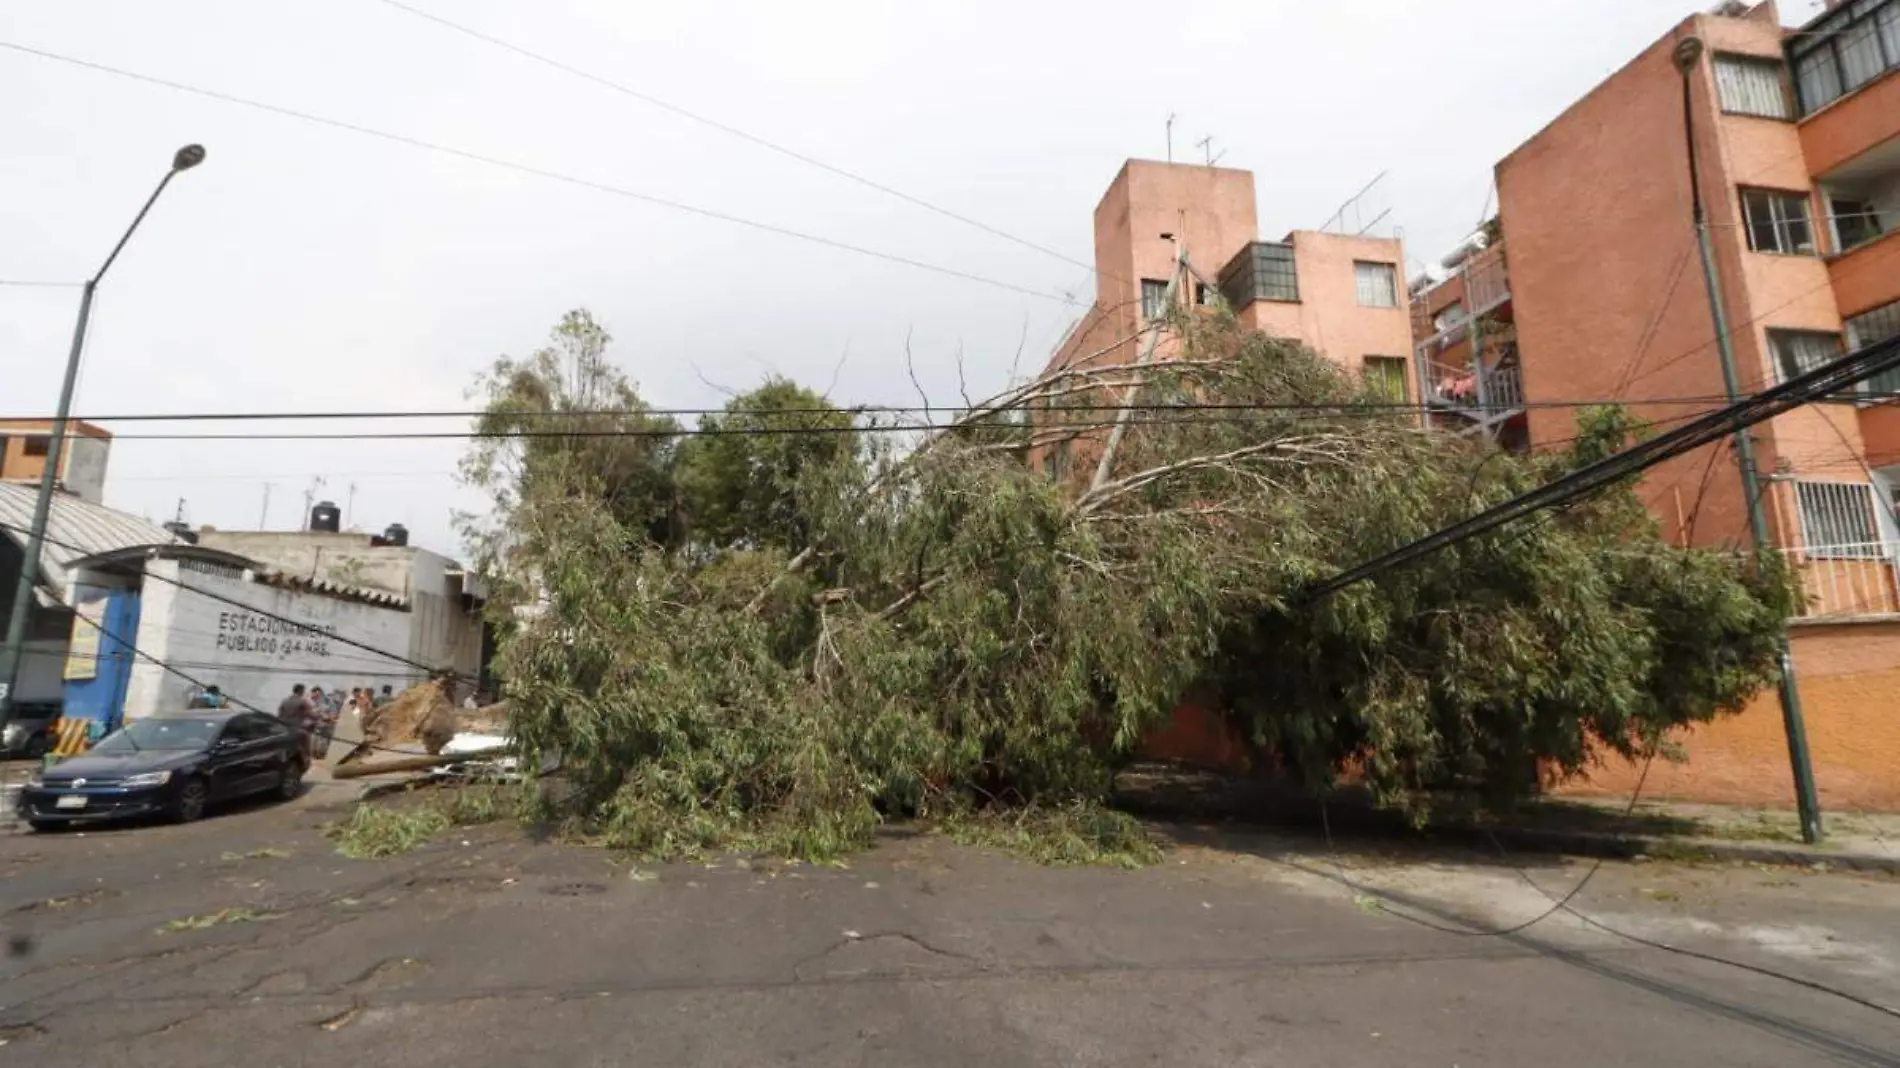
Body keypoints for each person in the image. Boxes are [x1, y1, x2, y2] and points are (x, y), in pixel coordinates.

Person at [277, 684, 316, 759]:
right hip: (294, 729)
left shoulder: (284, 700)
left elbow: (279, 715)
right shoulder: (302, 701)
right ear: (301, 691)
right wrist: (322, 718)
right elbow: (311, 714)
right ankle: (307, 757)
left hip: (282, 728)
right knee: (306, 736)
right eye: (303, 691)